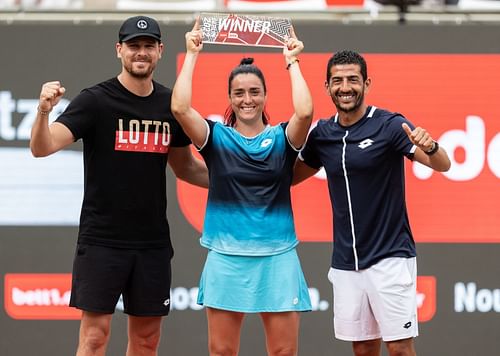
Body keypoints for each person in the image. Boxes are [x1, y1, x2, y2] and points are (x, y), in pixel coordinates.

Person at [30, 15, 208, 356]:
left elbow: (187, 169)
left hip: (152, 243)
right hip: (102, 242)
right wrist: (42, 112)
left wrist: (241, 180)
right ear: (119, 50)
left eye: (147, 46)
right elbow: (42, 147)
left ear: (159, 51)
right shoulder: (96, 101)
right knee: (94, 339)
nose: (140, 53)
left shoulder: (171, 106)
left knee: (146, 342)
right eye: (133, 46)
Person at [294, 50, 451, 356]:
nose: (345, 87)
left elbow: (442, 164)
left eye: (353, 79)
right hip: (345, 263)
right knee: (364, 349)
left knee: (399, 348)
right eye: (337, 80)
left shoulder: (389, 125)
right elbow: (288, 177)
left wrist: (430, 146)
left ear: (366, 83)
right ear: (326, 87)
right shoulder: (323, 134)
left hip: (390, 258)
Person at [171, 19, 313, 356]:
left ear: (265, 95)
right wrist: (192, 54)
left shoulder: (282, 138)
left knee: (283, 352)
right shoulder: (216, 138)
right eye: (239, 93)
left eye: (254, 92)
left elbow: (305, 112)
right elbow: (178, 107)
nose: (247, 99)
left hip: (278, 259)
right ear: (230, 98)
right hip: (226, 258)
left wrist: (292, 60)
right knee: (221, 352)